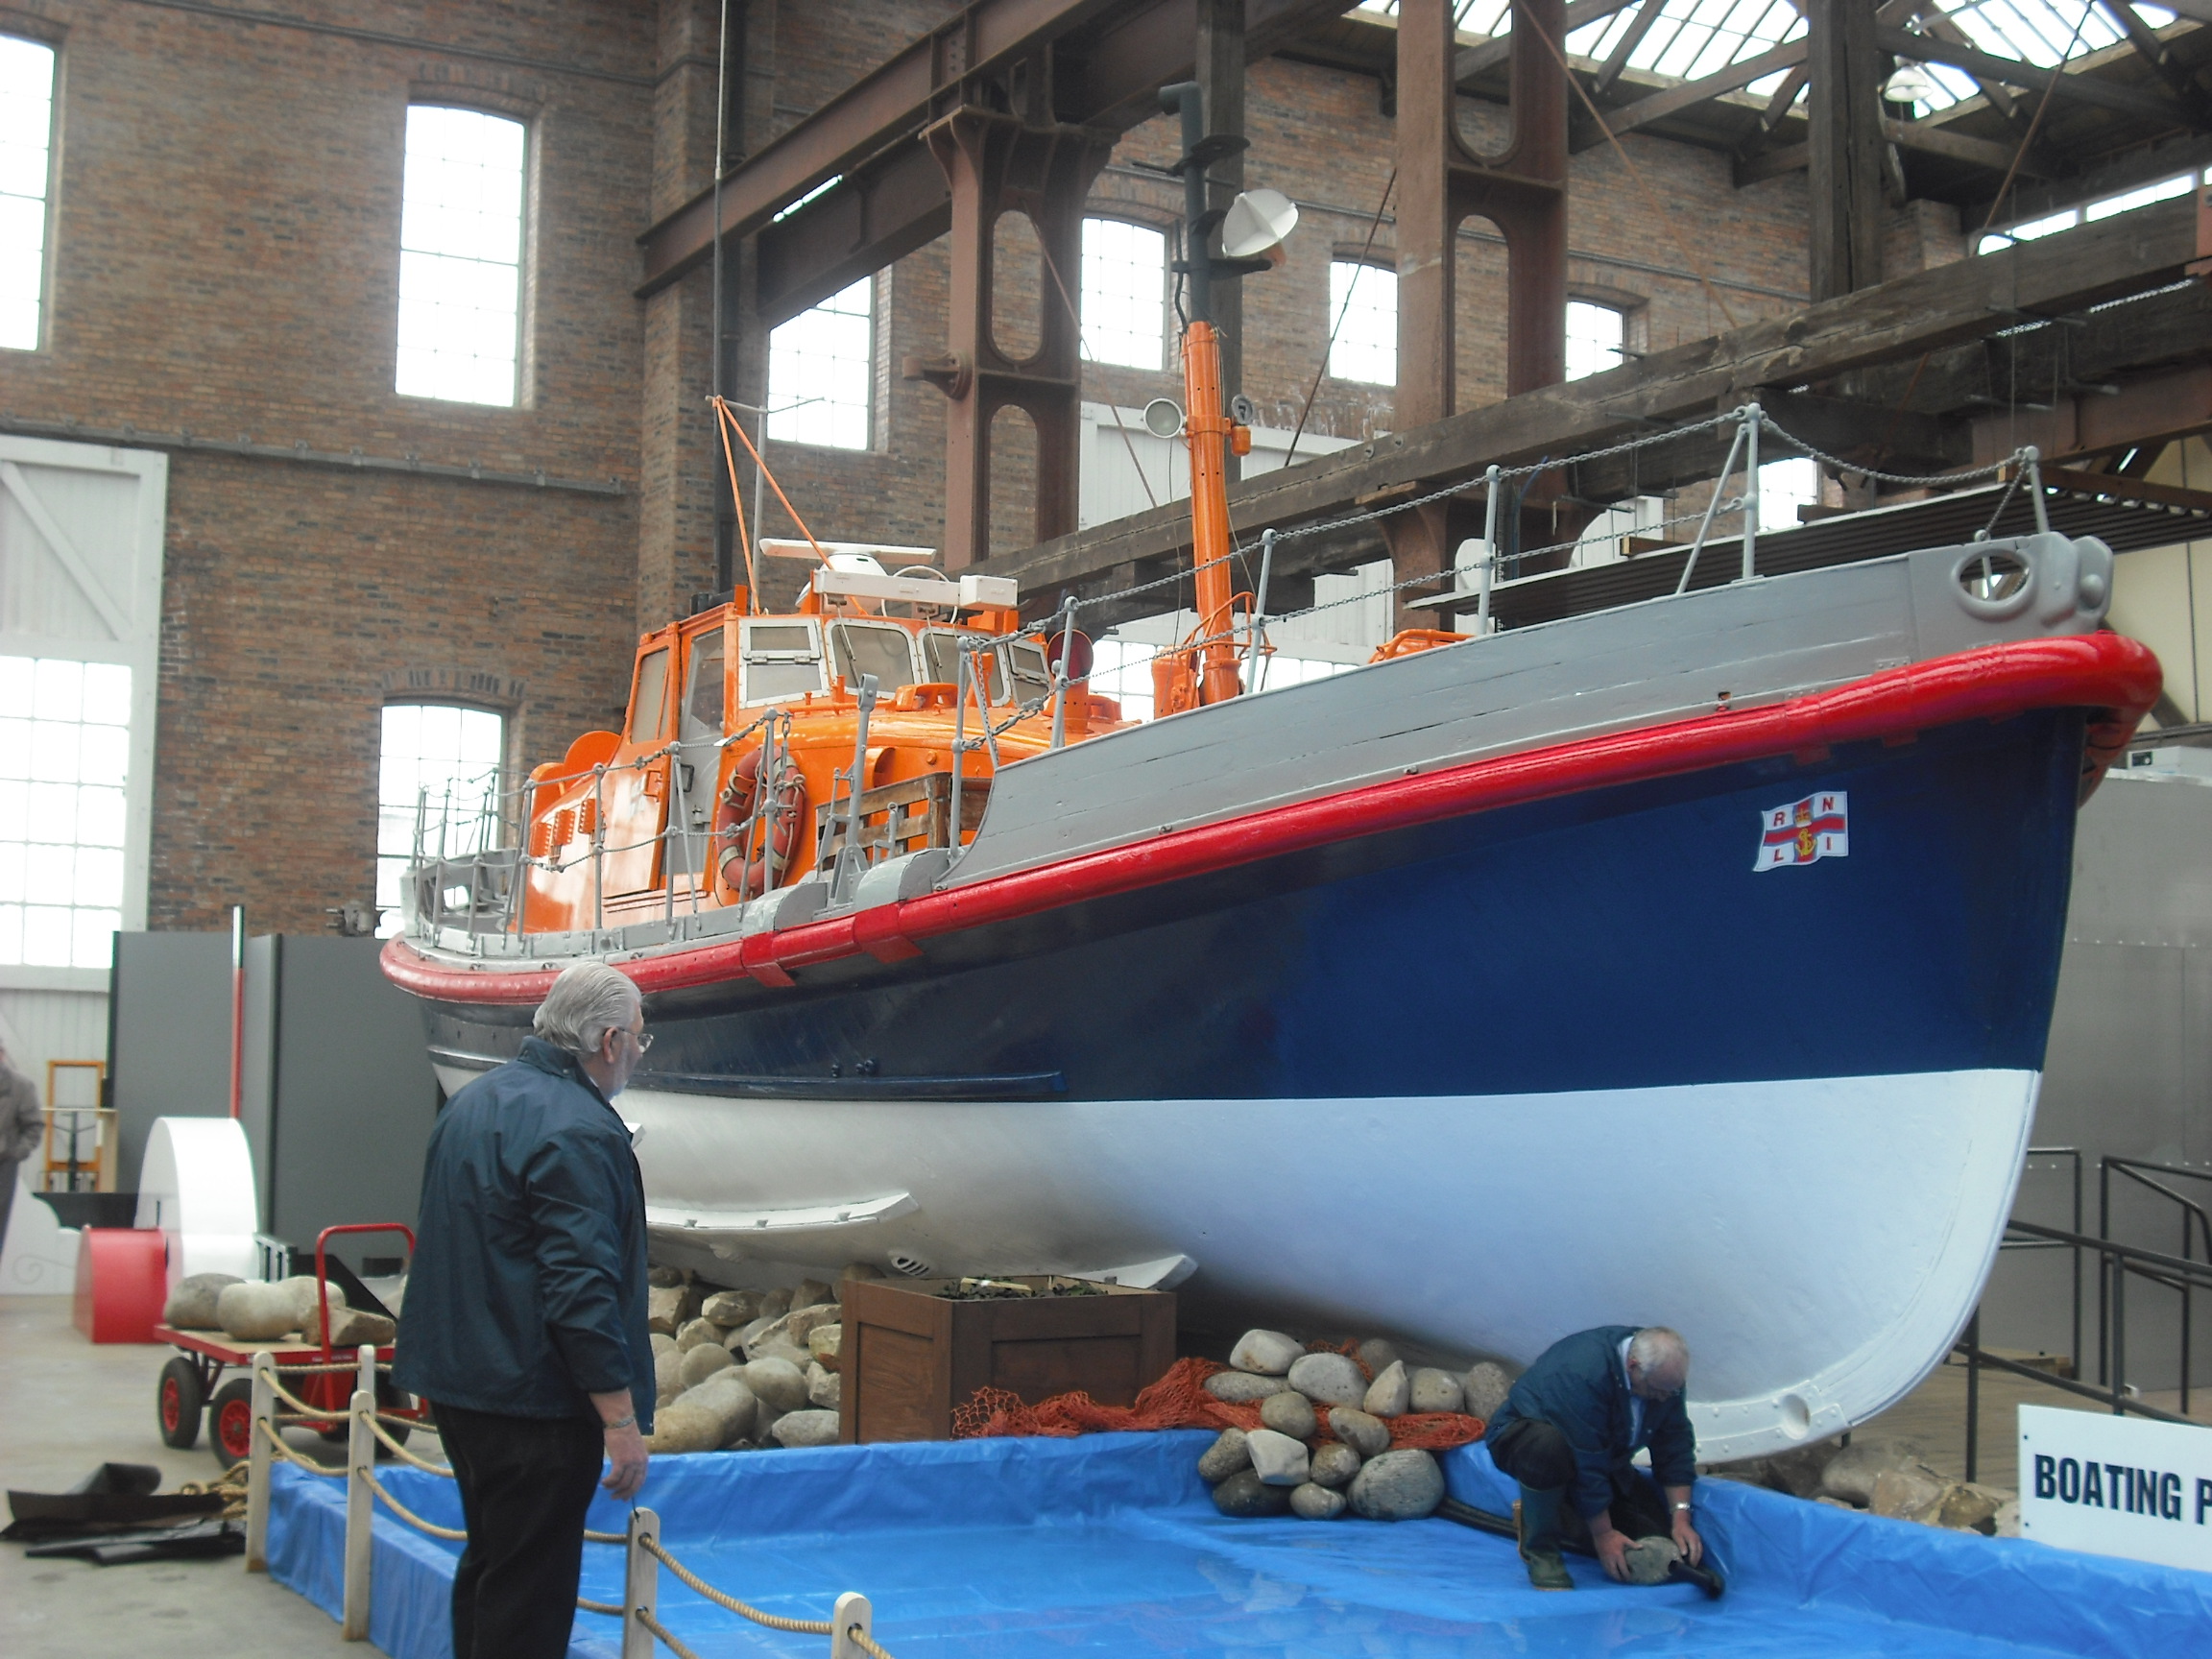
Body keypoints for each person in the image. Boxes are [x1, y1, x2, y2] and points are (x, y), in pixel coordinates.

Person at [395, 961, 657, 1659]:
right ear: (607, 1041)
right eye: (637, 1036)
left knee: (490, 1565)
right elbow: (581, 1292)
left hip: (461, 1391)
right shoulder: (581, 1132)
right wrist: (620, 1420)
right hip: (534, 1407)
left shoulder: (472, 1103)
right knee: (530, 1598)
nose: (638, 1049)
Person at [1484, 1325, 1704, 1592]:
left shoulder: (1661, 1379)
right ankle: (1541, 1548)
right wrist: (1603, 1534)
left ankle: (1555, 1513)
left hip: (1606, 1457)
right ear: (1633, 1365)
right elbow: (1588, 1462)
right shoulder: (1582, 1371)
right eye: (1657, 1391)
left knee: (1650, 1536)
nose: (1663, 1398)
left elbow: (1675, 1444)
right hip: (1527, 1439)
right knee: (1547, 1447)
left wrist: (1680, 1517)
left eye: (1670, 1393)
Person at [0, 1042, 44, 1253]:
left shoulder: (21, 1087)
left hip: (4, 1164)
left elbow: (34, 1126)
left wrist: (16, 1153)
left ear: (2, 1055)